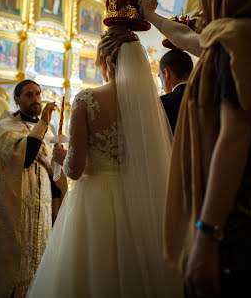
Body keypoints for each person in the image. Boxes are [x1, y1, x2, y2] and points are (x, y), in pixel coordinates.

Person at [27, 20, 183, 295]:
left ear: (107, 60)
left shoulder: (86, 99)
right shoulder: (148, 105)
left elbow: (75, 169)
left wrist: (61, 156)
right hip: (135, 200)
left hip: (93, 201)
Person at [142, 0, 251, 297]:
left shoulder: (235, 43)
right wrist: (150, 15)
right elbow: (184, 37)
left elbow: (233, 139)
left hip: (237, 210)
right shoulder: (234, 38)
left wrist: (207, 233)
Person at [0, 80, 67, 298]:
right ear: (17, 99)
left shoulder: (47, 133)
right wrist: (43, 124)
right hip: (16, 215)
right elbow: (25, 157)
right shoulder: (6, 128)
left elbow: (55, 176)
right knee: (17, 271)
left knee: (40, 268)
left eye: (38, 94)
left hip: (44, 215)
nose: (36, 99)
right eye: (29, 95)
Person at [159, 49, 193, 133]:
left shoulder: (162, 103)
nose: (162, 88)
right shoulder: (208, 97)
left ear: (167, 73)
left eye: (160, 77)